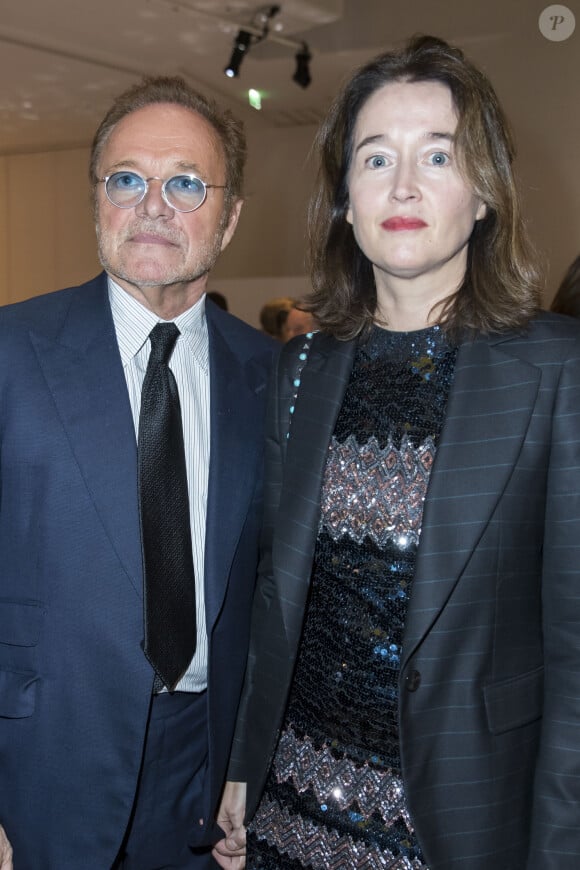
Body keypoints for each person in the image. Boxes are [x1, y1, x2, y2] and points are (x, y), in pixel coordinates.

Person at [214, 34, 580, 870]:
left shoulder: (558, 368)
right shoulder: (301, 368)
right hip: (291, 808)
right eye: (376, 158)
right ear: (345, 197)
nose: (404, 185)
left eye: (438, 157)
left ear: (484, 194)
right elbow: (280, 597)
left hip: (455, 823)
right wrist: (242, 766)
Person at [0, 75, 275, 869]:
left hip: (203, 781)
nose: (152, 203)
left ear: (228, 218)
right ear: (96, 201)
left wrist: (250, 767)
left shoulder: (274, 378)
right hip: (37, 773)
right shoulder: (13, 353)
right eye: (127, 179)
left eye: (185, 183)